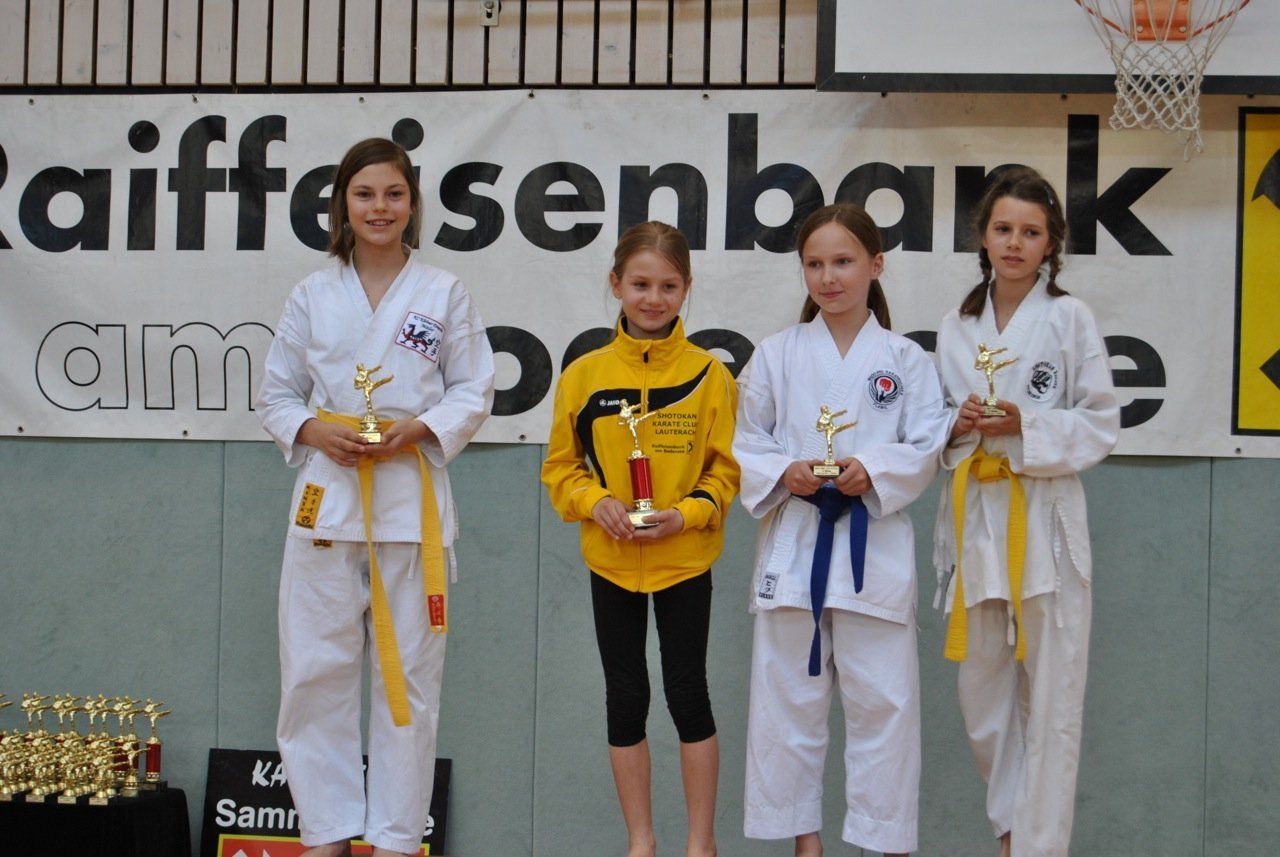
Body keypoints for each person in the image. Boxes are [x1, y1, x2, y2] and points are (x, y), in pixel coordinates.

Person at [255, 137, 495, 857]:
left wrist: (418, 428)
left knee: (409, 683)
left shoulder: (443, 291)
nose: (379, 207)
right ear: (343, 204)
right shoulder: (311, 293)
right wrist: (315, 431)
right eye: (364, 194)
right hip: (326, 505)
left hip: (409, 509)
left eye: (393, 194)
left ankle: (394, 841)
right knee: (312, 675)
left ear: (413, 203)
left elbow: (473, 388)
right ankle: (325, 835)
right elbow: (276, 394)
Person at [733, 203, 949, 857]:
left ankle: (886, 844)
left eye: (844, 261)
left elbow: (927, 442)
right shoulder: (775, 354)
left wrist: (873, 470)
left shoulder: (905, 359)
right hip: (795, 540)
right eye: (815, 264)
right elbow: (746, 439)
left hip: (871, 547)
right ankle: (806, 840)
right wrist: (785, 470)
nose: (828, 277)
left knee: (885, 705)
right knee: (787, 703)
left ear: (876, 265)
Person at [932, 166, 1119, 857]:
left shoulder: (1070, 318)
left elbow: (1100, 422)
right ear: (983, 237)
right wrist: (956, 428)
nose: (1015, 243)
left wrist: (1026, 426)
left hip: (1047, 520)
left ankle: (1037, 849)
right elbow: (933, 424)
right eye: (1004, 228)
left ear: (1051, 243)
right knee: (980, 692)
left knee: (1054, 698)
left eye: (1031, 232)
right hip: (978, 519)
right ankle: (1011, 827)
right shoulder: (957, 324)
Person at [541, 221, 739, 857]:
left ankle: (701, 844)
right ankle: (641, 843)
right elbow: (561, 468)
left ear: (687, 288)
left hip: (685, 560)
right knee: (625, 698)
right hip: (613, 561)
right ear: (616, 284)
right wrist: (594, 502)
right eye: (641, 284)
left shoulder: (710, 375)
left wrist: (689, 514)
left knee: (688, 694)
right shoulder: (584, 375)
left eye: (669, 286)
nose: (654, 299)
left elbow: (726, 471)